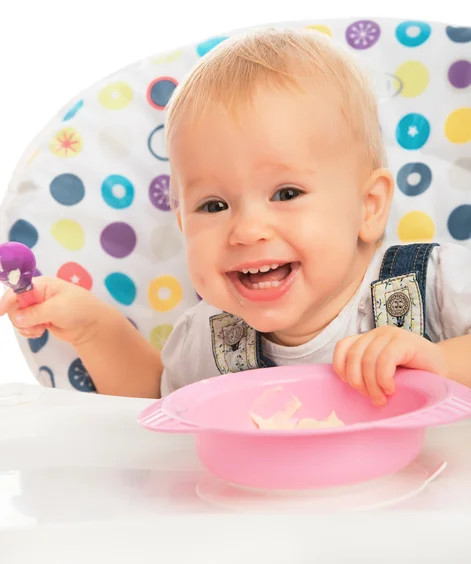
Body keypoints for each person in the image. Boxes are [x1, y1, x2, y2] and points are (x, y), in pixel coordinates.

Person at [1, 28, 470, 405]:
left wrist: (441, 363)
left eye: (286, 193)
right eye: (213, 206)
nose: (247, 230)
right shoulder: (211, 338)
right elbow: (152, 404)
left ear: (369, 207)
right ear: (183, 224)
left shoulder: (434, 283)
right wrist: (93, 327)